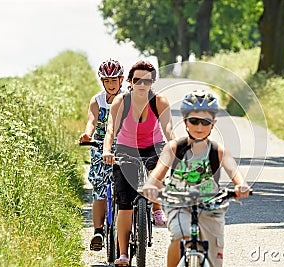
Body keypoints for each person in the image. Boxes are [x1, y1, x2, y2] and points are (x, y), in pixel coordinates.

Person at [143, 90, 251, 267]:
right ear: (185, 122)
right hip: (178, 202)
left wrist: (241, 186)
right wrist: (151, 184)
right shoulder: (175, 148)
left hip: (212, 205)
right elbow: (159, 171)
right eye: (193, 121)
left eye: (205, 121)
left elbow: (234, 171)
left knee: (214, 260)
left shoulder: (218, 150)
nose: (199, 127)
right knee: (181, 236)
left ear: (213, 123)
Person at [102, 60, 175, 266]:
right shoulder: (121, 102)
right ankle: (123, 254)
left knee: (159, 166)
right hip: (126, 147)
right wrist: (108, 150)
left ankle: (156, 207)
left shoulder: (159, 101)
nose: (141, 85)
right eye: (137, 80)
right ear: (130, 82)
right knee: (124, 203)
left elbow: (168, 128)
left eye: (147, 81)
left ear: (152, 82)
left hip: (153, 145)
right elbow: (110, 130)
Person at [79, 59, 125, 251]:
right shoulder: (96, 100)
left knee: (127, 186)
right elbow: (92, 121)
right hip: (99, 146)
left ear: (121, 79)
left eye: (114, 80)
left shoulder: (127, 98)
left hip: (124, 145)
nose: (111, 84)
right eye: (107, 81)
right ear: (102, 82)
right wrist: (87, 134)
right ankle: (98, 231)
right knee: (99, 188)